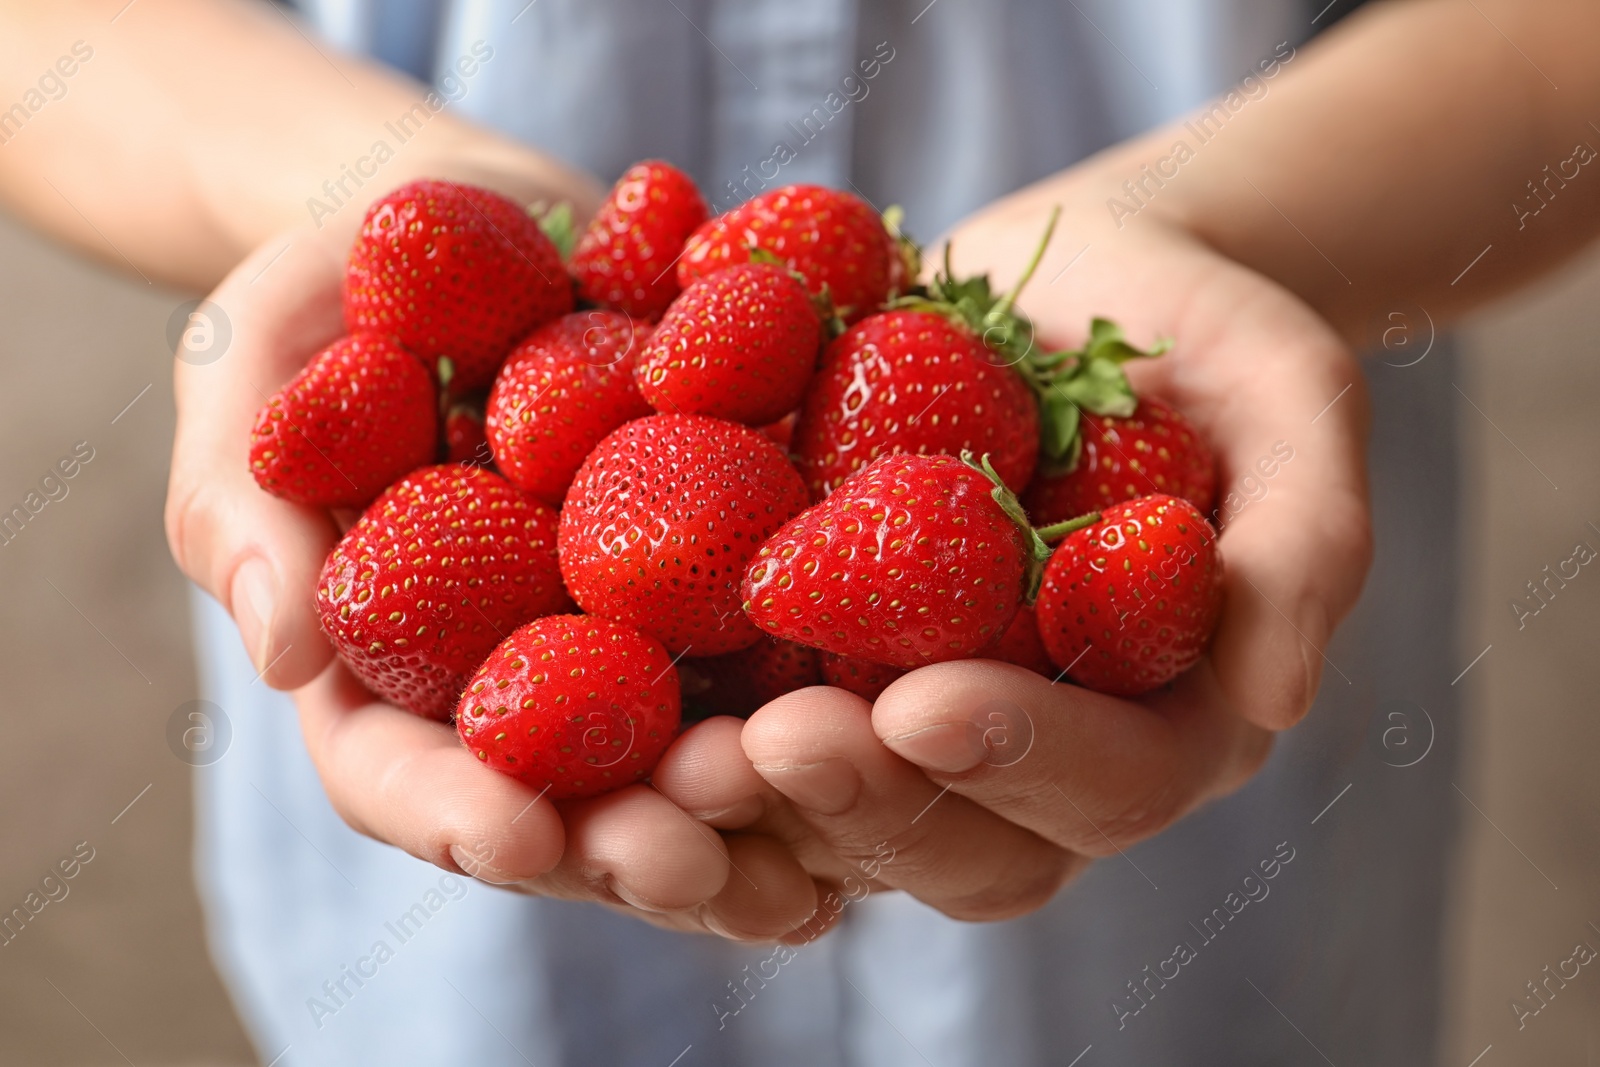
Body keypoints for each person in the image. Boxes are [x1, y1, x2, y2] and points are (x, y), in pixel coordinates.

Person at [2, 0, 1596, 1062]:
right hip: (444, 942)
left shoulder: (980, 469)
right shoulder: (639, 439)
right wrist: (338, 190)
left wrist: (1227, 222)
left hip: (1179, 930)